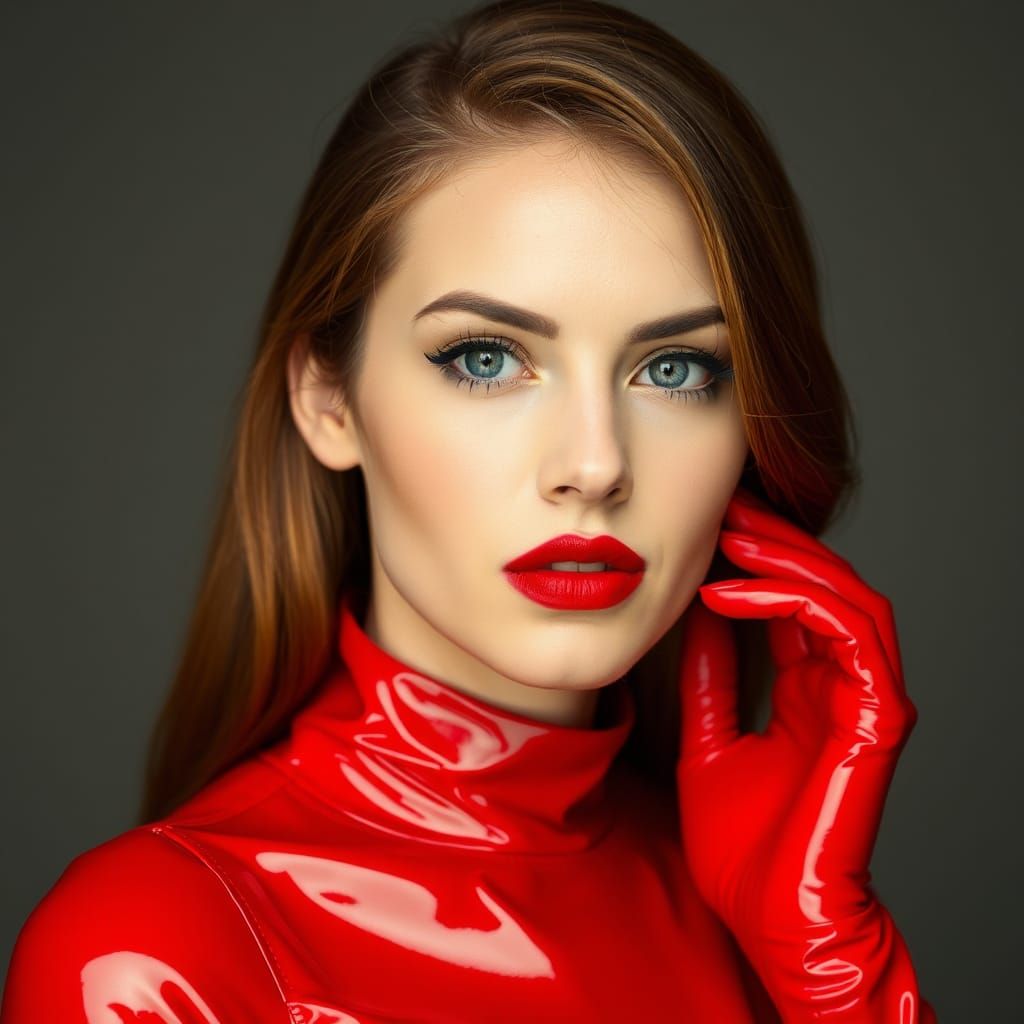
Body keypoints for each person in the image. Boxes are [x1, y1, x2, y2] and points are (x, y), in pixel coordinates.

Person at [0, 1, 936, 1020]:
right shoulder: (153, 950)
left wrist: (828, 969)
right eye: (485, 359)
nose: (592, 464)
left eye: (675, 368)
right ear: (329, 397)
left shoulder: (762, 911)